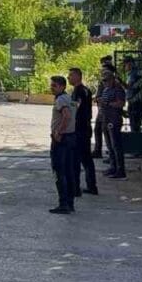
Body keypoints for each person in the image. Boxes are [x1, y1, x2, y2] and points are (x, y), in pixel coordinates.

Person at [48, 76, 78, 214]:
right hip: (71, 137)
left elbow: (66, 116)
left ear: (62, 86)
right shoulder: (70, 98)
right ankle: (70, 203)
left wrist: (58, 132)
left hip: (62, 139)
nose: (51, 88)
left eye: (54, 85)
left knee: (60, 172)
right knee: (68, 171)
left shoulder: (61, 100)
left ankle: (64, 203)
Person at [69, 68, 98, 196]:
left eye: (70, 75)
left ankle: (75, 188)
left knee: (76, 159)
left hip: (79, 128)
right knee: (87, 159)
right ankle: (92, 186)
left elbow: (75, 108)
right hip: (85, 127)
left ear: (77, 76)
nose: (68, 78)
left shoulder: (79, 91)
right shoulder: (86, 90)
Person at [97, 68, 127, 179]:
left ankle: (120, 169)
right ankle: (113, 167)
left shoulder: (118, 89)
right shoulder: (105, 89)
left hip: (114, 119)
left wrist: (107, 103)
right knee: (110, 145)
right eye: (103, 80)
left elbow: (120, 103)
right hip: (106, 118)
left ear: (112, 79)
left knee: (116, 145)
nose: (105, 82)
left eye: (107, 80)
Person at [123, 56, 142, 137]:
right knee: (135, 123)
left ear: (130, 64)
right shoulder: (133, 73)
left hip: (136, 102)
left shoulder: (134, 74)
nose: (125, 67)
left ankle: (136, 142)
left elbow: (129, 87)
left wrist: (119, 81)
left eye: (125, 64)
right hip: (135, 101)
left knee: (134, 124)